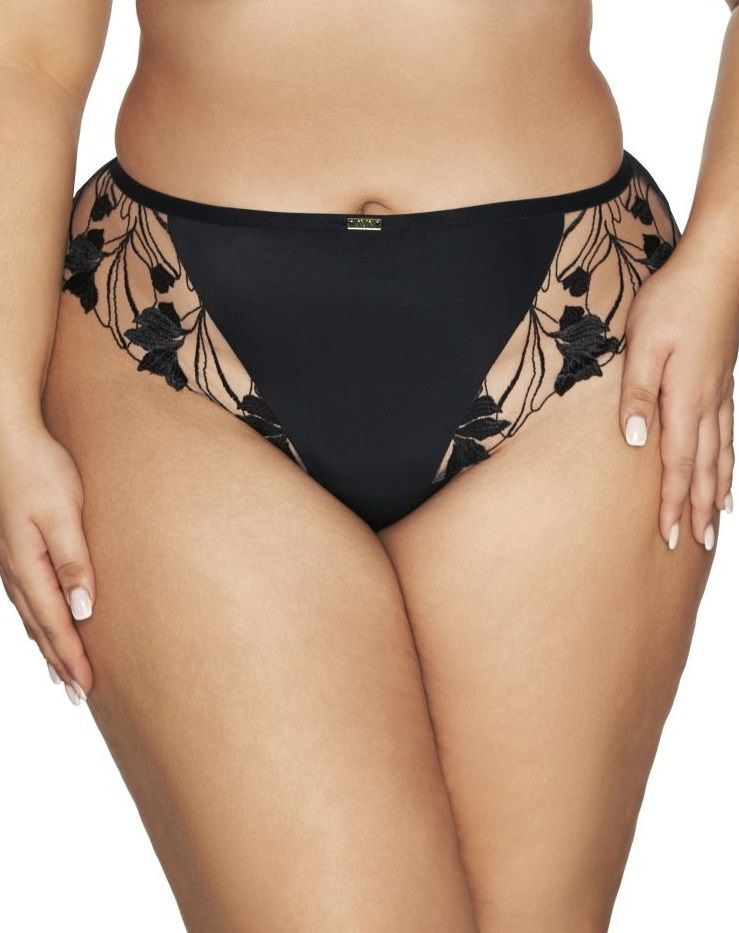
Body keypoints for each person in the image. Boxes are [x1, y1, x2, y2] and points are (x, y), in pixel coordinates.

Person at [1, 2, 736, 930]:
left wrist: (720, 262)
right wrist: (2, 408)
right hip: (167, 339)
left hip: (573, 340)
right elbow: (24, 52)